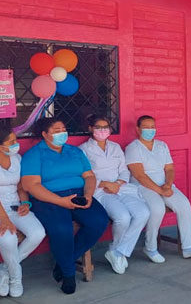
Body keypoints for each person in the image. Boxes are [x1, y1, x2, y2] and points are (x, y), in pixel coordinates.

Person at [21, 118, 109, 295]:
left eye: (63, 129)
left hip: (78, 193)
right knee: (62, 228)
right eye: (56, 130)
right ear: (45, 135)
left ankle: (65, 263)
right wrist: (60, 201)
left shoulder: (74, 151)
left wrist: (88, 195)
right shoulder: (34, 154)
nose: (62, 133)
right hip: (47, 198)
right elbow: (31, 186)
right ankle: (68, 275)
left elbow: (89, 176)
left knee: (99, 221)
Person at [0, 129, 45, 298]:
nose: (16, 144)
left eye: (15, 140)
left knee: (38, 233)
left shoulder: (17, 158)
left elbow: (20, 186)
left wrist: (25, 203)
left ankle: (3, 269)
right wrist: (4, 220)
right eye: (11, 142)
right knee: (8, 237)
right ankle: (15, 278)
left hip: (14, 206)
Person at [125, 115, 191, 263]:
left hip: (164, 185)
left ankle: (188, 247)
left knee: (184, 205)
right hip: (143, 187)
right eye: (146, 127)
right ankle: (150, 248)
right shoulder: (133, 148)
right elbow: (139, 175)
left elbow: (169, 168)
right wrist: (160, 191)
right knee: (157, 209)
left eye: (152, 127)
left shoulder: (162, 145)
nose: (150, 130)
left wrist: (168, 184)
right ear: (137, 129)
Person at [79, 114, 149, 275]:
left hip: (120, 187)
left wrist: (117, 184)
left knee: (143, 212)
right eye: (98, 127)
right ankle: (118, 251)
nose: (103, 130)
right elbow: (83, 175)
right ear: (90, 129)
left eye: (106, 127)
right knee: (123, 217)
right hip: (100, 190)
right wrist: (104, 184)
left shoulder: (115, 147)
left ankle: (117, 251)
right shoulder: (83, 150)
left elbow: (124, 170)